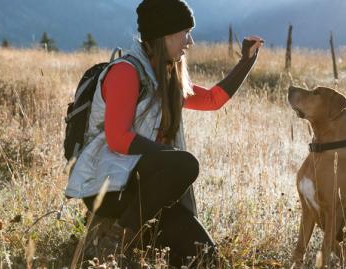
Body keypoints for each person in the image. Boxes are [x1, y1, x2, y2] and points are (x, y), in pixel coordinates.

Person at [64, 0, 262, 267]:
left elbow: (213, 100)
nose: (189, 41)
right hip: (112, 189)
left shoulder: (168, 77)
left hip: (151, 195)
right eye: (185, 33)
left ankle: (132, 236)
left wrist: (246, 62)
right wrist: (171, 159)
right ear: (166, 34)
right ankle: (115, 237)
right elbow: (118, 138)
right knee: (185, 162)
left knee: (206, 258)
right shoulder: (125, 72)